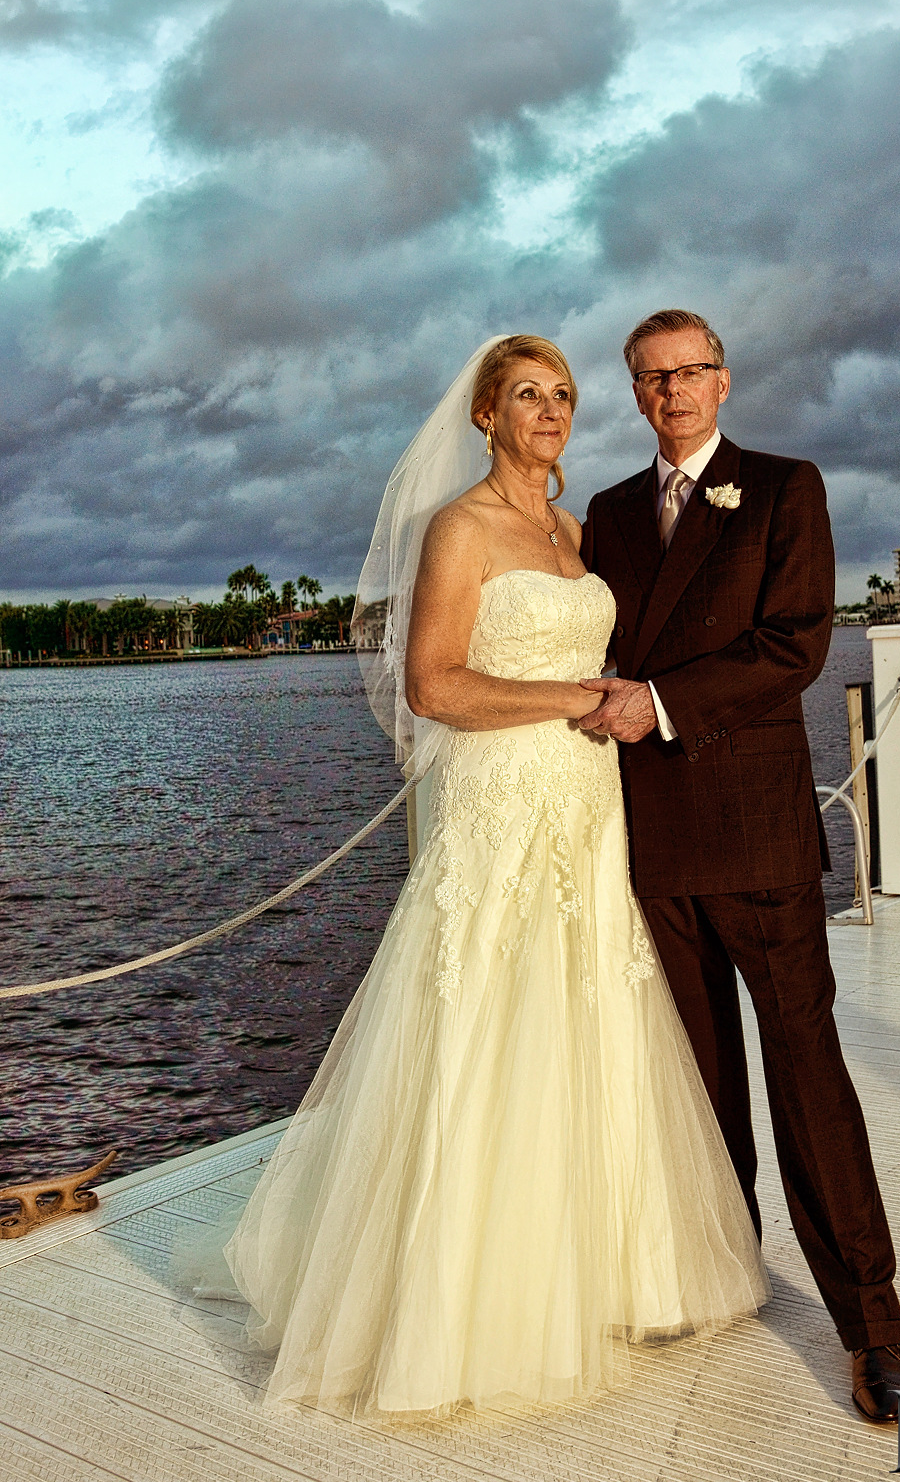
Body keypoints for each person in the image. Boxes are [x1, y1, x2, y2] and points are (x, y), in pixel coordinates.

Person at [214, 334, 769, 1424]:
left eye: (562, 395)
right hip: (501, 802)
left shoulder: (578, 532)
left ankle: (616, 1273)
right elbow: (433, 686)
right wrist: (575, 698)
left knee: (587, 1015)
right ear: (486, 415)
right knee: (488, 1016)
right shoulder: (458, 529)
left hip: (588, 805)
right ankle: (463, 1300)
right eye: (527, 396)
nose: (550, 412)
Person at [577, 308, 900, 1423]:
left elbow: (795, 646)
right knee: (701, 1083)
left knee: (805, 1077)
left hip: (755, 831)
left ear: (723, 381)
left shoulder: (783, 489)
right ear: (636, 394)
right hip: (652, 837)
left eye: (691, 371)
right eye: (651, 377)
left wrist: (659, 703)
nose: (672, 391)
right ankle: (724, 1273)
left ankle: (872, 1326)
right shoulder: (609, 514)